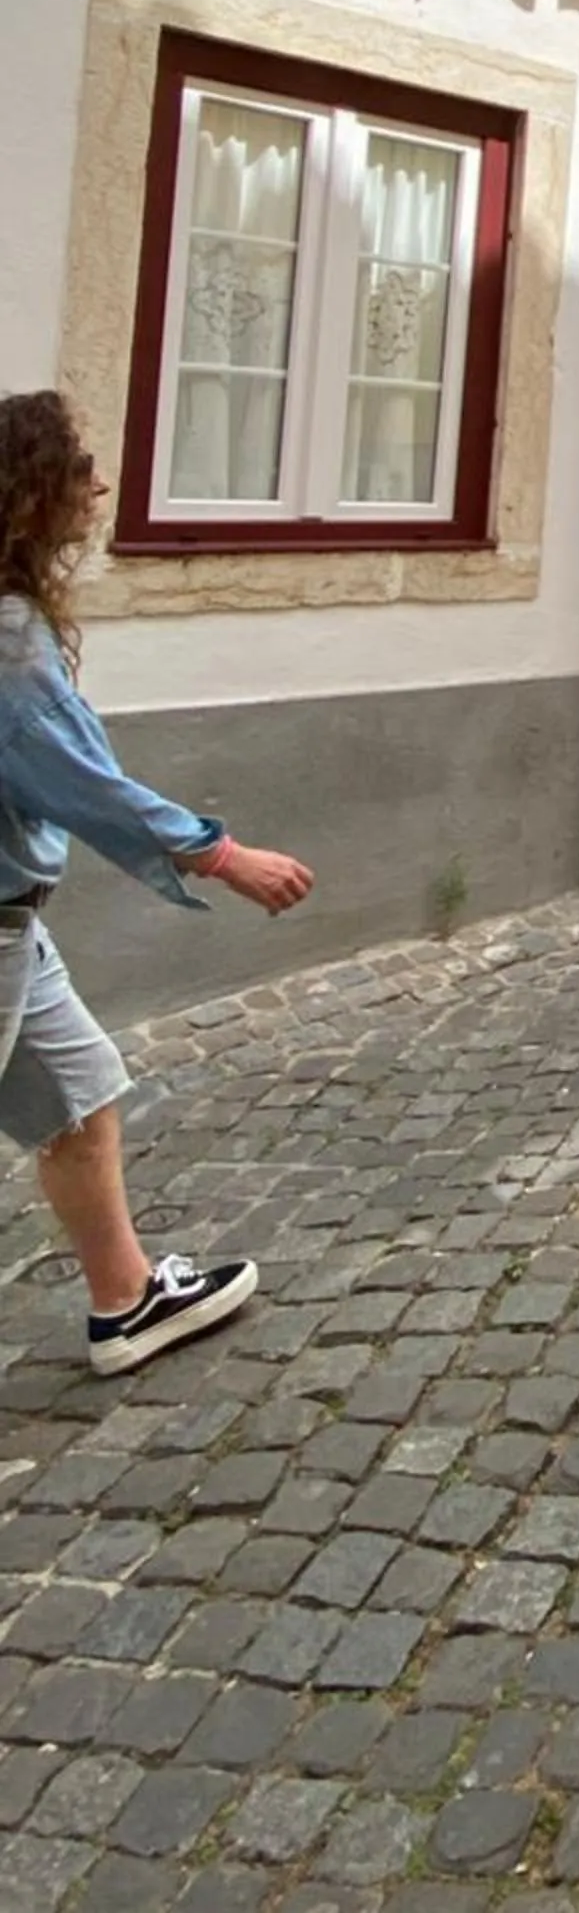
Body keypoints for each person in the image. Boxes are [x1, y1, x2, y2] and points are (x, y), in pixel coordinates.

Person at [0, 391, 314, 1374]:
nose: (99, 486)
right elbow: (86, 785)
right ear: (33, 493)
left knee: (80, 1090)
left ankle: (125, 1300)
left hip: (16, 922)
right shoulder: (7, 636)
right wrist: (225, 857)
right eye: (81, 470)